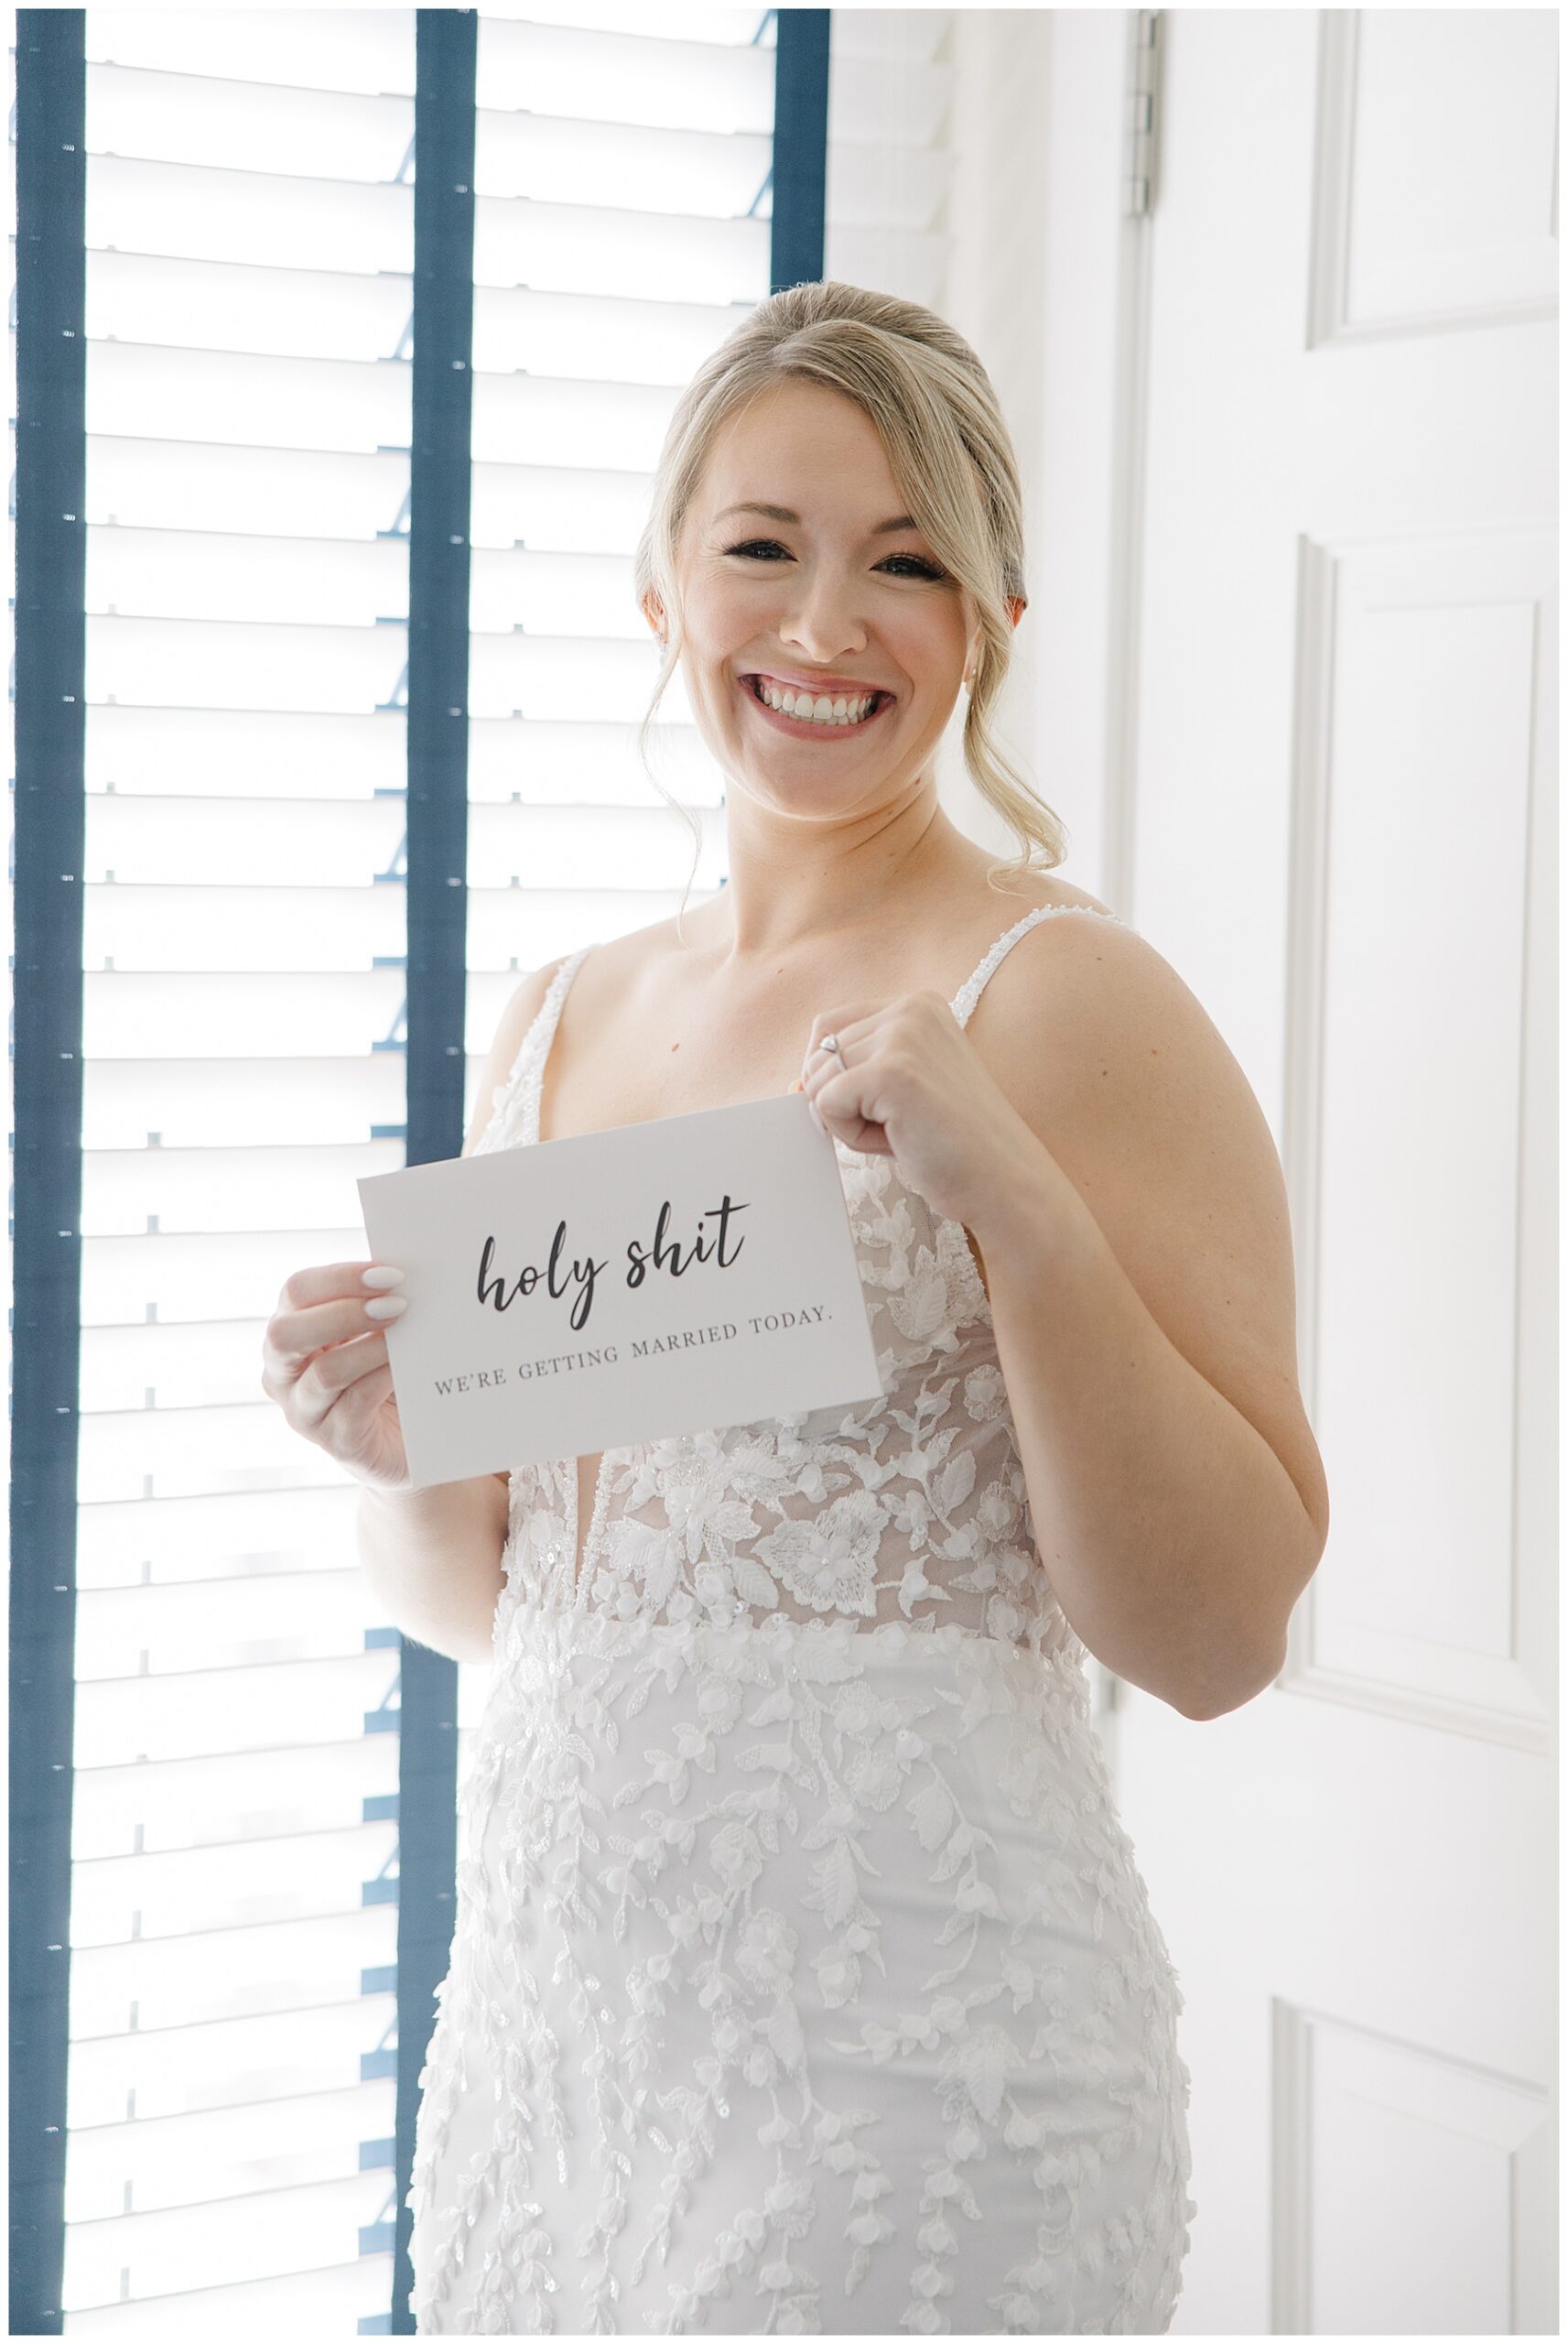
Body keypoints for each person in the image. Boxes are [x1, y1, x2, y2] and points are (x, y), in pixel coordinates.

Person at [261, 280, 1328, 2334]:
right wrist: (402, 1448)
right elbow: (509, 1602)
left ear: (995, 615)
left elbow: (1214, 1633)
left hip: (915, 2066)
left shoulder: (1067, 998)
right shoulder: (555, 1017)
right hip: (557, 2061)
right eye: (762, 547)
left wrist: (1008, 1193)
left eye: (906, 562)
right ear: (663, 589)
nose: (824, 625)